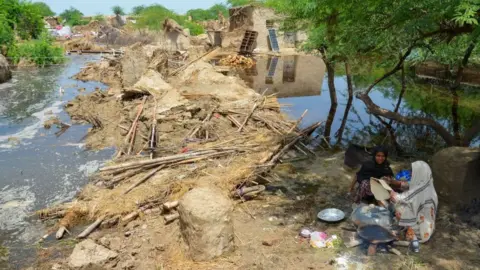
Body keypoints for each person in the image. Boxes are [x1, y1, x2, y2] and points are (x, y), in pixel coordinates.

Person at [390, 161, 438, 250]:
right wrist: (397, 184)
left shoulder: (420, 189)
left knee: (399, 209)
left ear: (420, 172)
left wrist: (393, 193)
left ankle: (412, 234)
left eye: (413, 172)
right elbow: (409, 187)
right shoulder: (428, 184)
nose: (411, 174)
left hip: (420, 230)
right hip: (428, 227)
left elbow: (400, 198)